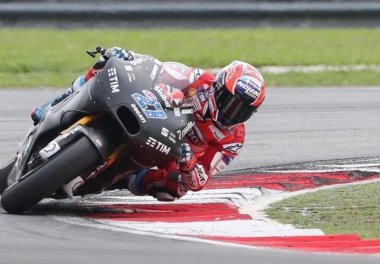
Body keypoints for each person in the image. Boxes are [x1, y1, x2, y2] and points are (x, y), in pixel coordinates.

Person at [31, 47, 266, 201]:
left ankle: (123, 180)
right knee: (106, 66)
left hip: (168, 152)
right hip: (150, 116)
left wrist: (187, 159)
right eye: (230, 102)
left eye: (243, 111)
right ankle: (54, 105)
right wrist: (127, 55)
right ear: (218, 86)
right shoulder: (198, 79)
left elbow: (201, 180)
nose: (232, 113)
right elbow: (155, 68)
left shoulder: (233, 139)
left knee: (175, 188)